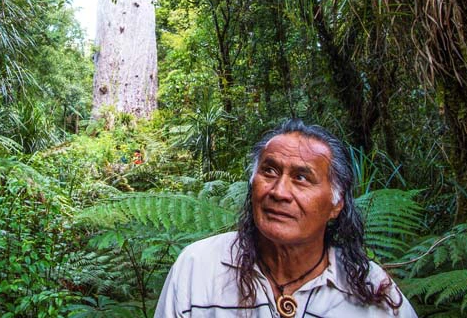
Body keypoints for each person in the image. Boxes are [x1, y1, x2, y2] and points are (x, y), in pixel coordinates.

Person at [155, 120, 418, 317]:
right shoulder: (199, 268)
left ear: (336, 204)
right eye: (269, 171)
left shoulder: (374, 293)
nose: (279, 192)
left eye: (301, 178)